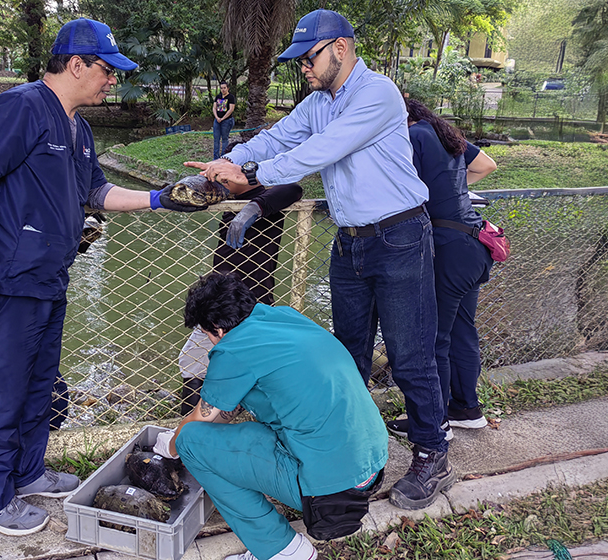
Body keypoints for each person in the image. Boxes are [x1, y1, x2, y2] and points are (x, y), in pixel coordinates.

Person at [184, 9, 452, 510]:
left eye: (308, 59)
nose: (303, 68)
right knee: (346, 352)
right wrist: (230, 162)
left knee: (411, 353)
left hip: (400, 236)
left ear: (341, 49)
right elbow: (278, 136)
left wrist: (251, 172)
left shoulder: (377, 94)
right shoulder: (318, 102)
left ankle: (433, 453)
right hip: (350, 240)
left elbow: (320, 153)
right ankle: (351, 446)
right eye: (299, 62)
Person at [0, 17, 201, 537]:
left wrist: (161, 199)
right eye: (108, 70)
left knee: (38, 386)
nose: (114, 80)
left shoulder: (78, 128)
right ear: (76, 64)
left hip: (49, 281)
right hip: (3, 284)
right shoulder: (18, 107)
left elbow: (97, 194)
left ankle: (28, 472)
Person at [155, 272, 387, 560]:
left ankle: (283, 551)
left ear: (217, 328)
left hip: (330, 495)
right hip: (371, 468)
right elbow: (230, 408)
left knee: (190, 440)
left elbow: (199, 422)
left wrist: (168, 446)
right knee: (247, 434)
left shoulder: (233, 348)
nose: (210, 343)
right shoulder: (285, 317)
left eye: (206, 335)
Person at [386, 98, 497, 440]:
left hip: (449, 248)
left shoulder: (412, 137)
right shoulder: (442, 134)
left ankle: (435, 423)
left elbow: (398, 191)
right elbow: (487, 165)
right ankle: (466, 408)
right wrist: (449, 187)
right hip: (475, 242)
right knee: (462, 330)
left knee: (433, 338)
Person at [179, 142, 303, 414]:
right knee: (192, 362)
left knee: (231, 363)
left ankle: (212, 417)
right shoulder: (225, 199)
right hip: (220, 303)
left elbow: (294, 188)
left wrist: (252, 209)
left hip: (251, 304)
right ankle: (196, 416)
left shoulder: (268, 198)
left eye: (225, 176)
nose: (221, 182)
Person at [212, 82, 236, 159]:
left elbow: (231, 109)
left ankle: (223, 156)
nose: (223, 89)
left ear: (227, 88)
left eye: (224, 88)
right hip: (217, 120)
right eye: (221, 88)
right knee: (216, 139)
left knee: (224, 139)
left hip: (226, 121)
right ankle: (215, 157)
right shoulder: (218, 97)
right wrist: (217, 117)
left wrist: (222, 118)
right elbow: (214, 108)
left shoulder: (231, 97)